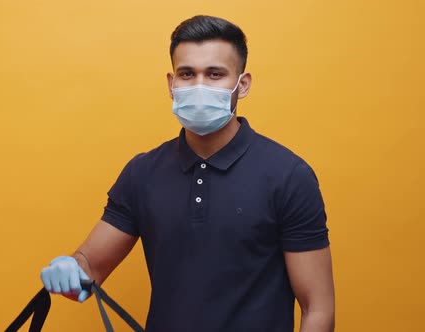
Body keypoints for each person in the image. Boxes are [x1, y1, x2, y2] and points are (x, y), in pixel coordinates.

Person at [40, 15, 335, 332]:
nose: (199, 86)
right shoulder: (143, 173)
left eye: (215, 74)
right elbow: (90, 268)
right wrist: (71, 269)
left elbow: (317, 307)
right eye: (187, 74)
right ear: (171, 84)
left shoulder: (288, 175)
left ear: (242, 83)